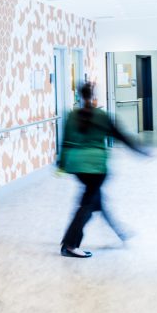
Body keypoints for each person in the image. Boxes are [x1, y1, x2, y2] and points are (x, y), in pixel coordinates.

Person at [59, 82, 148, 259]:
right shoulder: (102, 116)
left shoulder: (71, 115)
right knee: (87, 204)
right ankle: (70, 244)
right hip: (97, 168)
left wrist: (61, 164)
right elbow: (120, 135)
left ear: (79, 95)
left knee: (95, 199)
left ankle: (119, 231)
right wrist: (140, 150)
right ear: (93, 96)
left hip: (77, 167)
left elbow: (66, 141)